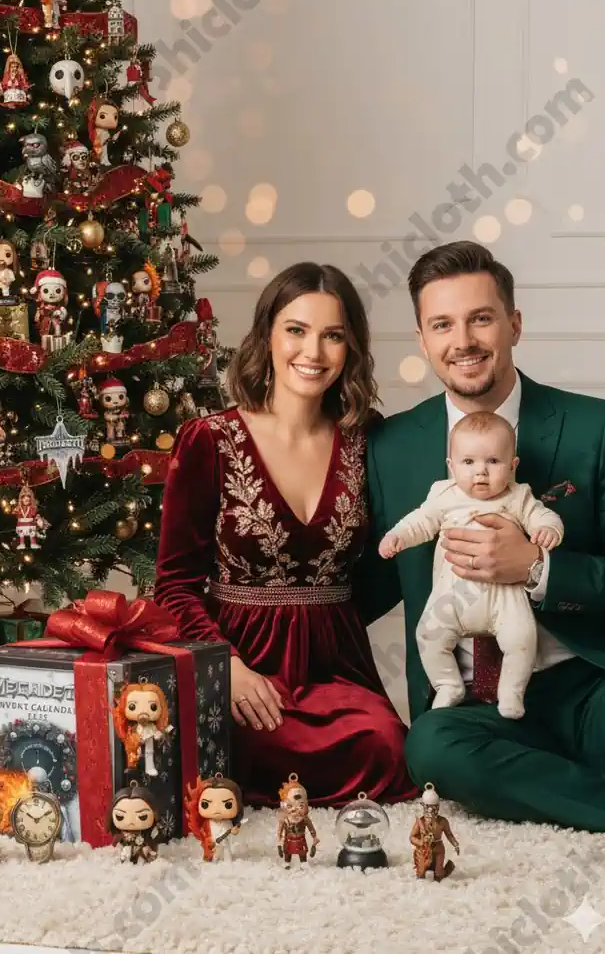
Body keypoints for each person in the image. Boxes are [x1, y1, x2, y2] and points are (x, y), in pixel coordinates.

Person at [358, 239, 605, 833]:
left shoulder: (596, 427)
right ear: (422, 339)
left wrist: (537, 569)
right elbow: (367, 585)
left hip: (591, 682)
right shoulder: (391, 446)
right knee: (432, 752)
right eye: (442, 324)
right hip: (473, 703)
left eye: (481, 318)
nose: (463, 340)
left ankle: (569, 776)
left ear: (514, 324)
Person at [154, 262, 418, 808]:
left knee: (387, 746)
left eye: (333, 335)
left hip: (335, 667)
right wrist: (223, 665)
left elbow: (388, 562)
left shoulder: (366, 439)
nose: (313, 352)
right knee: (228, 749)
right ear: (267, 335)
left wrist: (333, 619)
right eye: (296, 330)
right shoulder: (209, 439)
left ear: (351, 347)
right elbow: (174, 584)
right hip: (239, 662)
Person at [379, 411, 564, 719]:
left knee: (522, 639)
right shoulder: (444, 495)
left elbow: (543, 516)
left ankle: (511, 691)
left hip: (505, 595)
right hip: (453, 595)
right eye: (468, 462)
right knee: (428, 634)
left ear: (512, 466)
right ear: (451, 466)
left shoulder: (518, 496)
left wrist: (548, 529)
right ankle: (448, 684)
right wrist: (397, 535)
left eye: (493, 461)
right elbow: (421, 521)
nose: (481, 472)